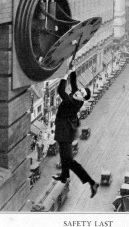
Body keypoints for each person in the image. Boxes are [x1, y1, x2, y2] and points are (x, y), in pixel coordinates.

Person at [52, 62, 99, 198]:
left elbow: (60, 90)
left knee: (69, 160)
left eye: (81, 93)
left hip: (65, 131)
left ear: (83, 99)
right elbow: (74, 84)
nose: (78, 92)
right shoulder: (77, 96)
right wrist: (72, 70)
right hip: (66, 127)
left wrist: (65, 74)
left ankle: (91, 183)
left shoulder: (72, 102)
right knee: (63, 154)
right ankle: (64, 175)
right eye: (80, 90)